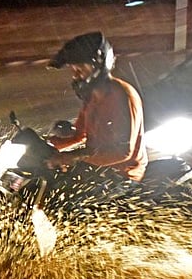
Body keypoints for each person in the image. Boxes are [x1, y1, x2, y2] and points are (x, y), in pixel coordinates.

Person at [45, 31, 148, 185]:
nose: (76, 76)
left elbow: (123, 152)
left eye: (80, 70)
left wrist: (73, 156)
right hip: (96, 171)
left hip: (122, 177)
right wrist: (47, 144)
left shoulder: (122, 96)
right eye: (73, 71)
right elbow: (79, 135)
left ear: (98, 65)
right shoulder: (92, 98)